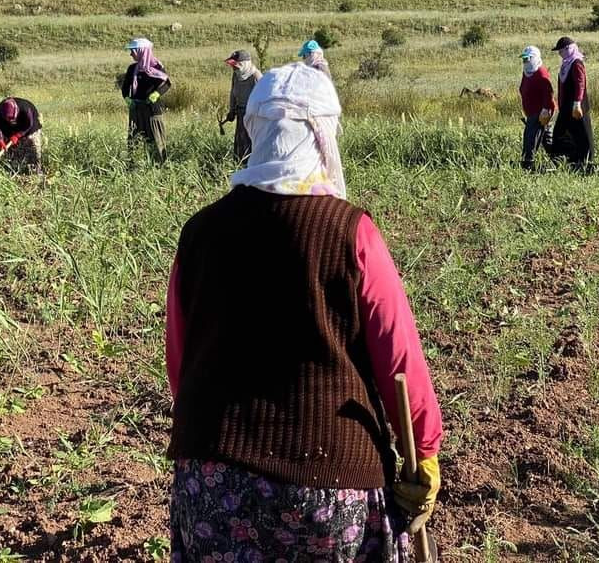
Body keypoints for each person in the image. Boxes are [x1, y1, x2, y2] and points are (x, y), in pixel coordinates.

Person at [166, 62, 443, 562]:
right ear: (322, 134)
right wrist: (423, 449)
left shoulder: (200, 233)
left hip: (210, 483)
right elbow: (398, 358)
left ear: (256, 130)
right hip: (329, 490)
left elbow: (180, 364)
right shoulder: (350, 232)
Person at [122, 37, 171, 163]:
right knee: (134, 142)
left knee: (157, 142)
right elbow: (124, 88)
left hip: (152, 111)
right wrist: (128, 99)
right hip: (136, 110)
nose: (131, 54)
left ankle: (160, 168)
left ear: (142, 51)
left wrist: (156, 94)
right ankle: (134, 167)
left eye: (133, 51)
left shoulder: (157, 67)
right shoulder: (132, 69)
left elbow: (167, 84)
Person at [546, 36, 593, 168]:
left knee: (583, 135)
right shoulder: (567, 64)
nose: (560, 54)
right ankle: (563, 160)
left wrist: (577, 103)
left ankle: (586, 162)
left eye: (561, 51)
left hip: (576, 107)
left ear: (569, 49)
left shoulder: (576, 63)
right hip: (566, 107)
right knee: (560, 133)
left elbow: (580, 83)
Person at [518, 46, 556, 171]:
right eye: (524, 59)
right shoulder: (527, 71)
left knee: (530, 137)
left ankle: (528, 164)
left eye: (527, 59)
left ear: (534, 58)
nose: (525, 62)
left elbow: (548, 93)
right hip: (532, 112)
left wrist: (545, 110)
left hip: (540, 113)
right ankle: (559, 161)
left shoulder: (541, 73)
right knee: (547, 139)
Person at [224, 49, 262, 163]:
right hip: (241, 113)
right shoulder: (236, 75)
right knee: (240, 143)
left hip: (253, 117)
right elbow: (233, 92)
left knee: (251, 144)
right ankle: (239, 166)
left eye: (236, 66)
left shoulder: (256, 77)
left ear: (245, 64)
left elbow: (263, 100)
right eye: (233, 66)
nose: (234, 68)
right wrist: (232, 110)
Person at [0, 96, 42, 173]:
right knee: (12, 149)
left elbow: (29, 124)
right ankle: (14, 168)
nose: (11, 121)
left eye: (12, 118)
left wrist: (17, 135)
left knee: (33, 145)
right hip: (8, 127)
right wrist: (0, 142)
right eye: (9, 119)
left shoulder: (25, 108)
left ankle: (36, 169)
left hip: (29, 125)